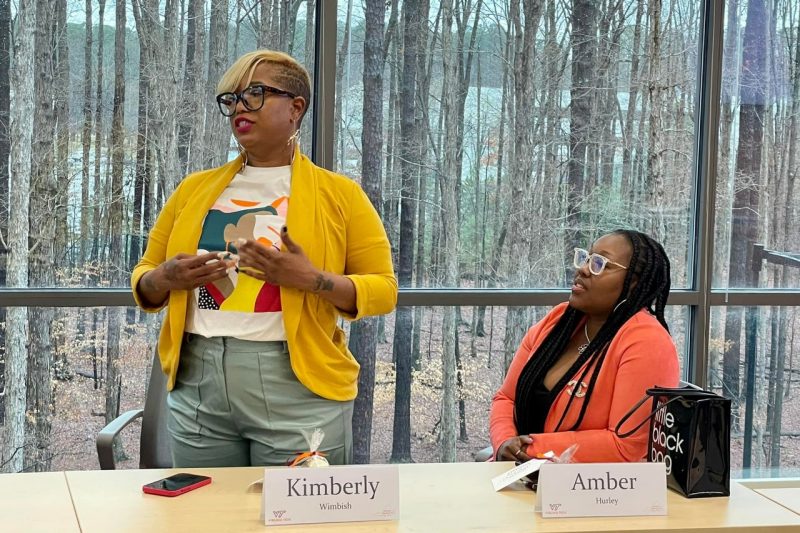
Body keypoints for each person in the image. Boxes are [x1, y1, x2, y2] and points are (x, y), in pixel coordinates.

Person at [131, 50, 397, 467]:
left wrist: (312, 279)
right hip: (199, 383)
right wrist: (166, 278)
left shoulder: (340, 195)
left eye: (255, 93)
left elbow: (383, 290)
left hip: (298, 386)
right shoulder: (194, 190)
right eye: (233, 98)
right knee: (204, 519)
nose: (239, 106)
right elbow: (145, 277)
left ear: (296, 108)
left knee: (299, 522)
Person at [490, 230, 679, 463]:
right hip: (520, 477)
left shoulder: (647, 341)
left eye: (600, 263)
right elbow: (506, 399)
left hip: (595, 492)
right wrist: (504, 442)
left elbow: (625, 446)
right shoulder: (558, 321)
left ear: (634, 282)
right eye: (585, 258)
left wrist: (527, 449)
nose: (583, 269)